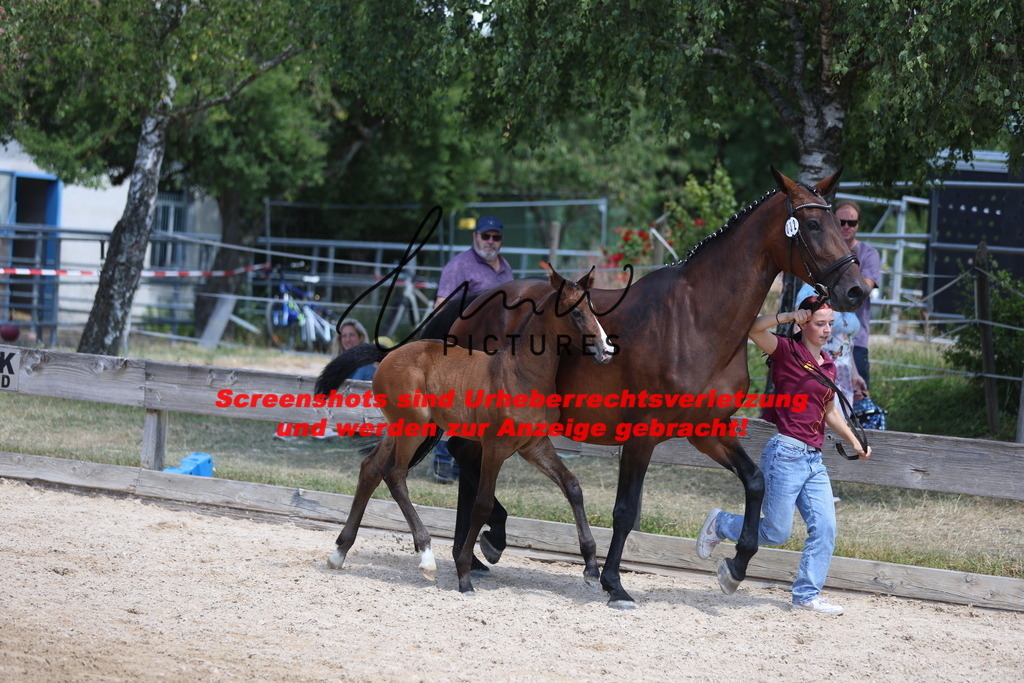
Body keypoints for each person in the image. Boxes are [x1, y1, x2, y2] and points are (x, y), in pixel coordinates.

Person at [696, 295, 871, 615]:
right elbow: (752, 328)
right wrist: (788, 314)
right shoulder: (787, 352)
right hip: (786, 454)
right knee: (777, 531)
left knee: (826, 528)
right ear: (804, 324)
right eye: (820, 323)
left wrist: (854, 441)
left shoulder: (828, 364)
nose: (827, 329)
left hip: (814, 459)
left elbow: (830, 410)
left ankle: (806, 594)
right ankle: (721, 523)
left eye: (830, 323)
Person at [431, 216, 515, 483]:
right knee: (456, 402)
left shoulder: (505, 268)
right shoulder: (460, 266)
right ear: (475, 236)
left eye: (496, 237)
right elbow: (441, 308)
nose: (490, 242)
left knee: (480, 407)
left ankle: (467, 460)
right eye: (485, 236)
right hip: (465, 350)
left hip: (494, 356)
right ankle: (443, 459)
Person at [796, 282, 866, 407]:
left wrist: (854, 374)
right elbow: (798, 330)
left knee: (840, 419)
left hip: (844, 375)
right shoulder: (810, 290)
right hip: (818, 371)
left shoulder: (846, 291)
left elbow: (847, 342)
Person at [835, 201, 881, 389]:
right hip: (821, 339)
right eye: (841, 222)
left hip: (856, 341)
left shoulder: (869, 254)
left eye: (851, 223)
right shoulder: (821, 251)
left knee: (859, 399)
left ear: (858, 225)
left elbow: (865, 288)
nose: (846, 227)